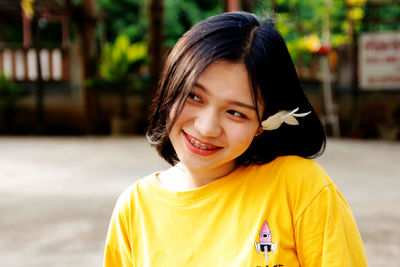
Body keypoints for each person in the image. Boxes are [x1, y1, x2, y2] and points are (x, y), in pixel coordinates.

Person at [104, 11, 367, 266]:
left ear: (263, 124)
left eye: (235, 113)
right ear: (169, 88)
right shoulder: (134, 208)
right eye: (194, 96)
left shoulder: (301, 187)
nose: (207, 128)